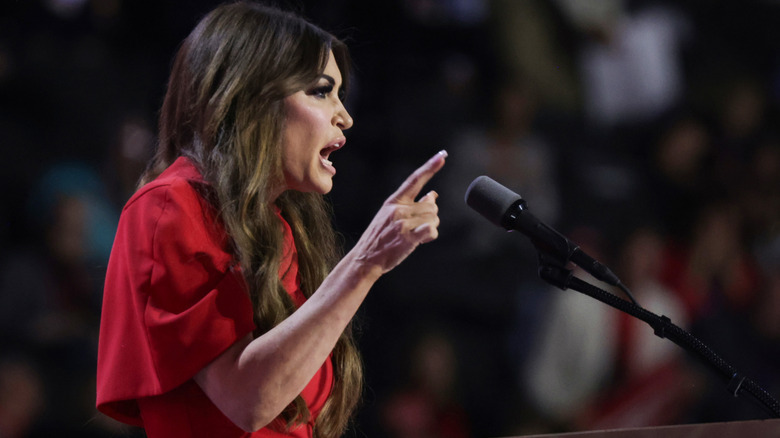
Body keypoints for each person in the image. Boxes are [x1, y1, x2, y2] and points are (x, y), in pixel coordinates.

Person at [95, 2, 446, 437]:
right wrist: (364, 264)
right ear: (253, 97)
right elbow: (248, 400)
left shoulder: (278, 228)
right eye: (321, 91)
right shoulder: (170, 206)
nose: (345, 116)